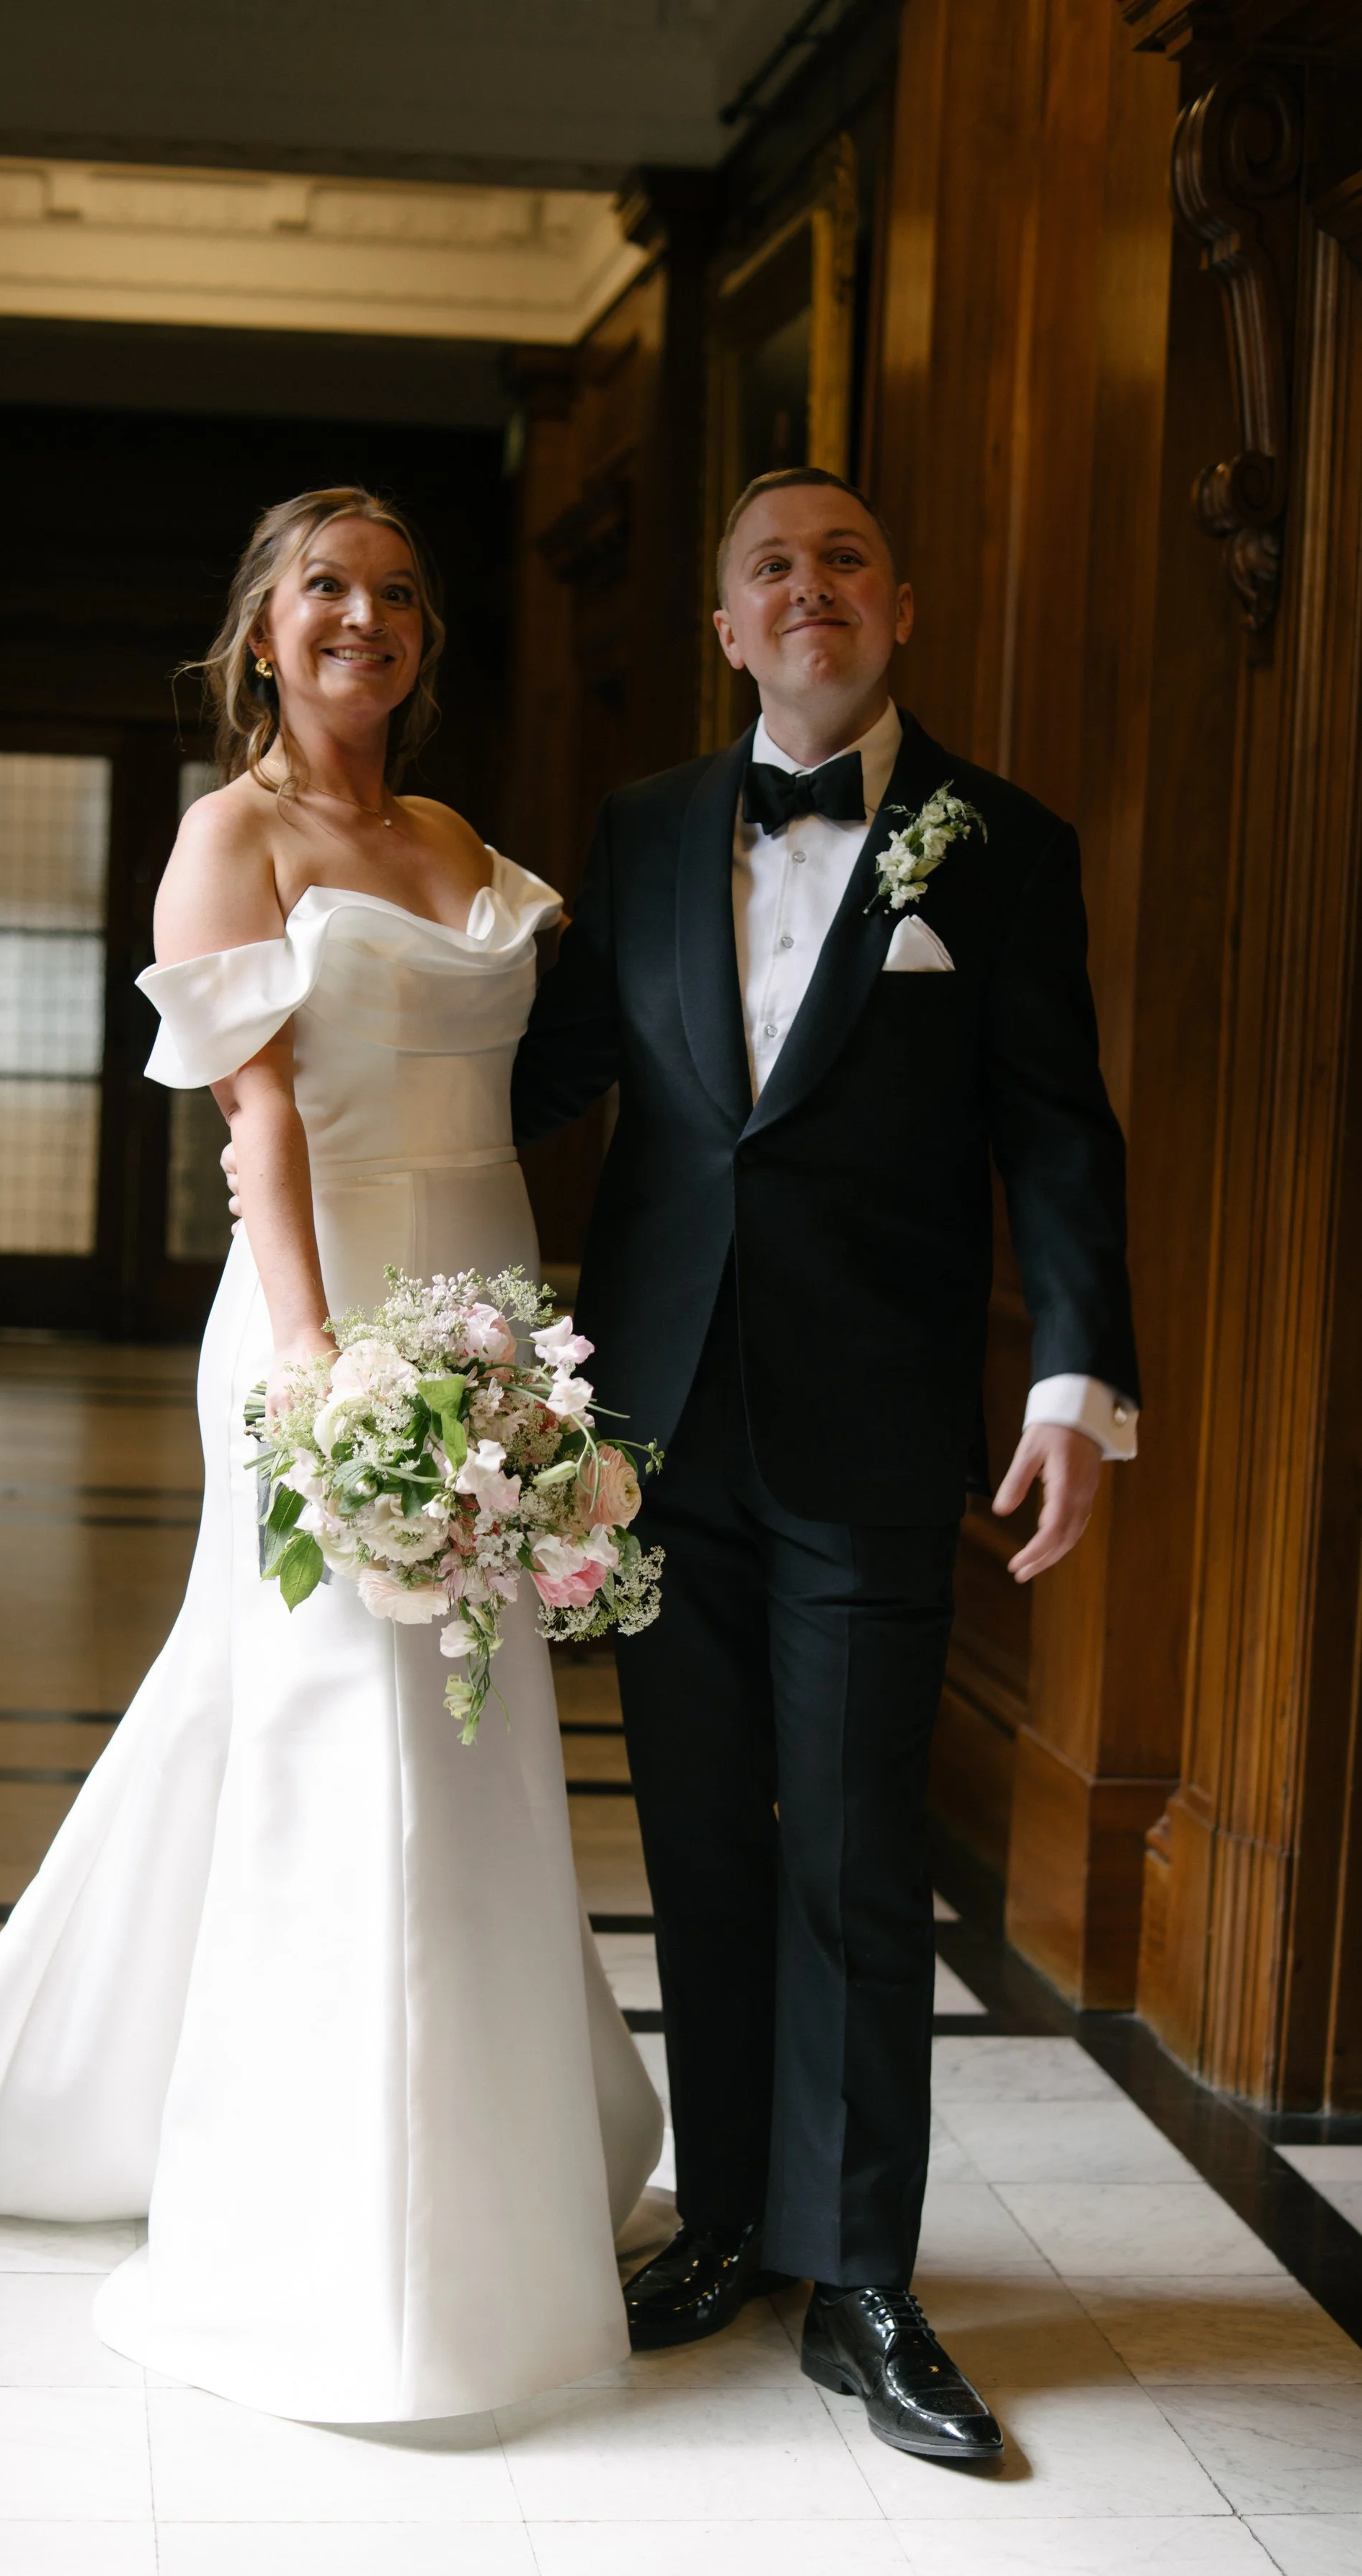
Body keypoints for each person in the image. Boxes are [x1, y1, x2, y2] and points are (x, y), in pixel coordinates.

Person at [0, 485, 663, 2425]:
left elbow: (533, 1073)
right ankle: (320, 2211)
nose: (365, 617)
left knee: (473, 1723)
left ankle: (490, 2167)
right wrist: (319, 1367)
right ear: (264, 628)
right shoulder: (226, 838)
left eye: (397, 592)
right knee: (341, 1724)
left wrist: (525, 1350)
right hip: (321, 1314)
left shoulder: (449, 837)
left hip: (489, 1313)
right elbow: (258, 1130)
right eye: (325, 587)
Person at [509, 467, 1139, 2463]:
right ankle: (726, 2224)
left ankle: (861, 2278)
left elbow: (1058, 1129)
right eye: (771, 565)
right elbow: (547, 1079)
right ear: (725, 625)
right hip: (653, 1433)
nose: (810, 587)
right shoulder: (636, 834)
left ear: (901, 604)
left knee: (857, 1857)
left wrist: (1075, 1382)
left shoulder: (1002, 845)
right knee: (699, 1841)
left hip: (869, 1431)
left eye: (844, 558)